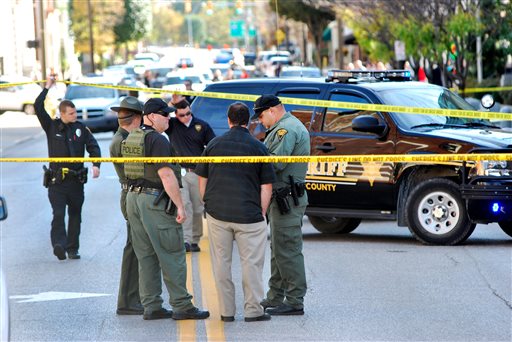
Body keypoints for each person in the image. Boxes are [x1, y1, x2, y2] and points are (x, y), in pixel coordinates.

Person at [123, 98, 209, 321]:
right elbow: (166, 174)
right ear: (151, 116)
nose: (169, 118)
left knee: (146, 255)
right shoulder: (158, 140)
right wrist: (180, 205)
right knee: (172, 253)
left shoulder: (133, 136)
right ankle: (182, 306)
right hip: (154, 201)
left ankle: (152, 305)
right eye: (164, 114)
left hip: (134, 199)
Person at [195, 102, 276, 323]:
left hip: (218, 213)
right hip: (249, 215)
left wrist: (207, 202)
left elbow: (202, 178)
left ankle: (226, 312)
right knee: (251, 265)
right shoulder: (259, 148)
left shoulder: (213, 145)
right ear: (249, 121)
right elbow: (266, 186)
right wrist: (261, 212)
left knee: (221, 263)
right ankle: (253, 310)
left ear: (228, 120)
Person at [252, 94, 310, 316]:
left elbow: (276, 162)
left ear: (273, 110)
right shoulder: (282, 128)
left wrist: (253, 160)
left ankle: (295, 300)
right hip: (281, 198)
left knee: (288, 249)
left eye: (261, 115)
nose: (260, 120)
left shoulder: (286, 130)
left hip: (287, 198)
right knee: (278, 249)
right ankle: (275, 295)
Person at [35, 73, 101, 261]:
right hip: (56, 181)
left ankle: (72, 248)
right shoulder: (51, 127)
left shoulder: (80, 128)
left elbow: (93, 146)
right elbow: (38, 107)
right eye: (71, 113)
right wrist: (47, 87)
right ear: (62, 113)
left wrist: (96, 164)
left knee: (75, 215)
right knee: (58, 214)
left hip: (75, 181)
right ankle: (59, 245)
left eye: (75, 112)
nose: (75, 115)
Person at [166, 98, 216, 252]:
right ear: (176, 114)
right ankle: (186, 240)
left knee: (197, 208)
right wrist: (171, 103)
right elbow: (163, 114)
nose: (186, 117)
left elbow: (213, 145)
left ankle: (195, 239)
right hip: (180, 173)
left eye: (188, 113)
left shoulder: (202, 125)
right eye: (181, 115)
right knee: (185, 205)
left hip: (197, 172)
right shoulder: (173, 125)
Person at [109, 97, 144, 315]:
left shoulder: (124, 136)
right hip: (131, 192)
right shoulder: (123, 141)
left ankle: (133, 298)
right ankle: (128, 301)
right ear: (137, 117)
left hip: (130, 193)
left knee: (136, 247)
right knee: (134, 249)